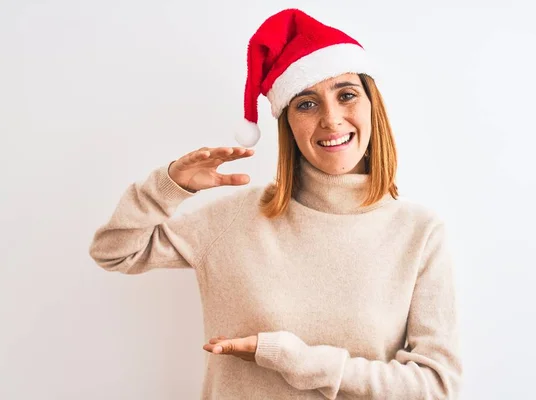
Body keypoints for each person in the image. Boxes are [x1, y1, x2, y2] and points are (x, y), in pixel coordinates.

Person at [89, 8, 462, 400]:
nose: (332, 119)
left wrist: (297, 360)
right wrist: (168, 187)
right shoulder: (234, 220)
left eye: (346, 95)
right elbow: (115, 252)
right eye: (306, 104)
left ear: (372, 106)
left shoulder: (419, 232)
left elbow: (436, 385)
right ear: (288, 124)